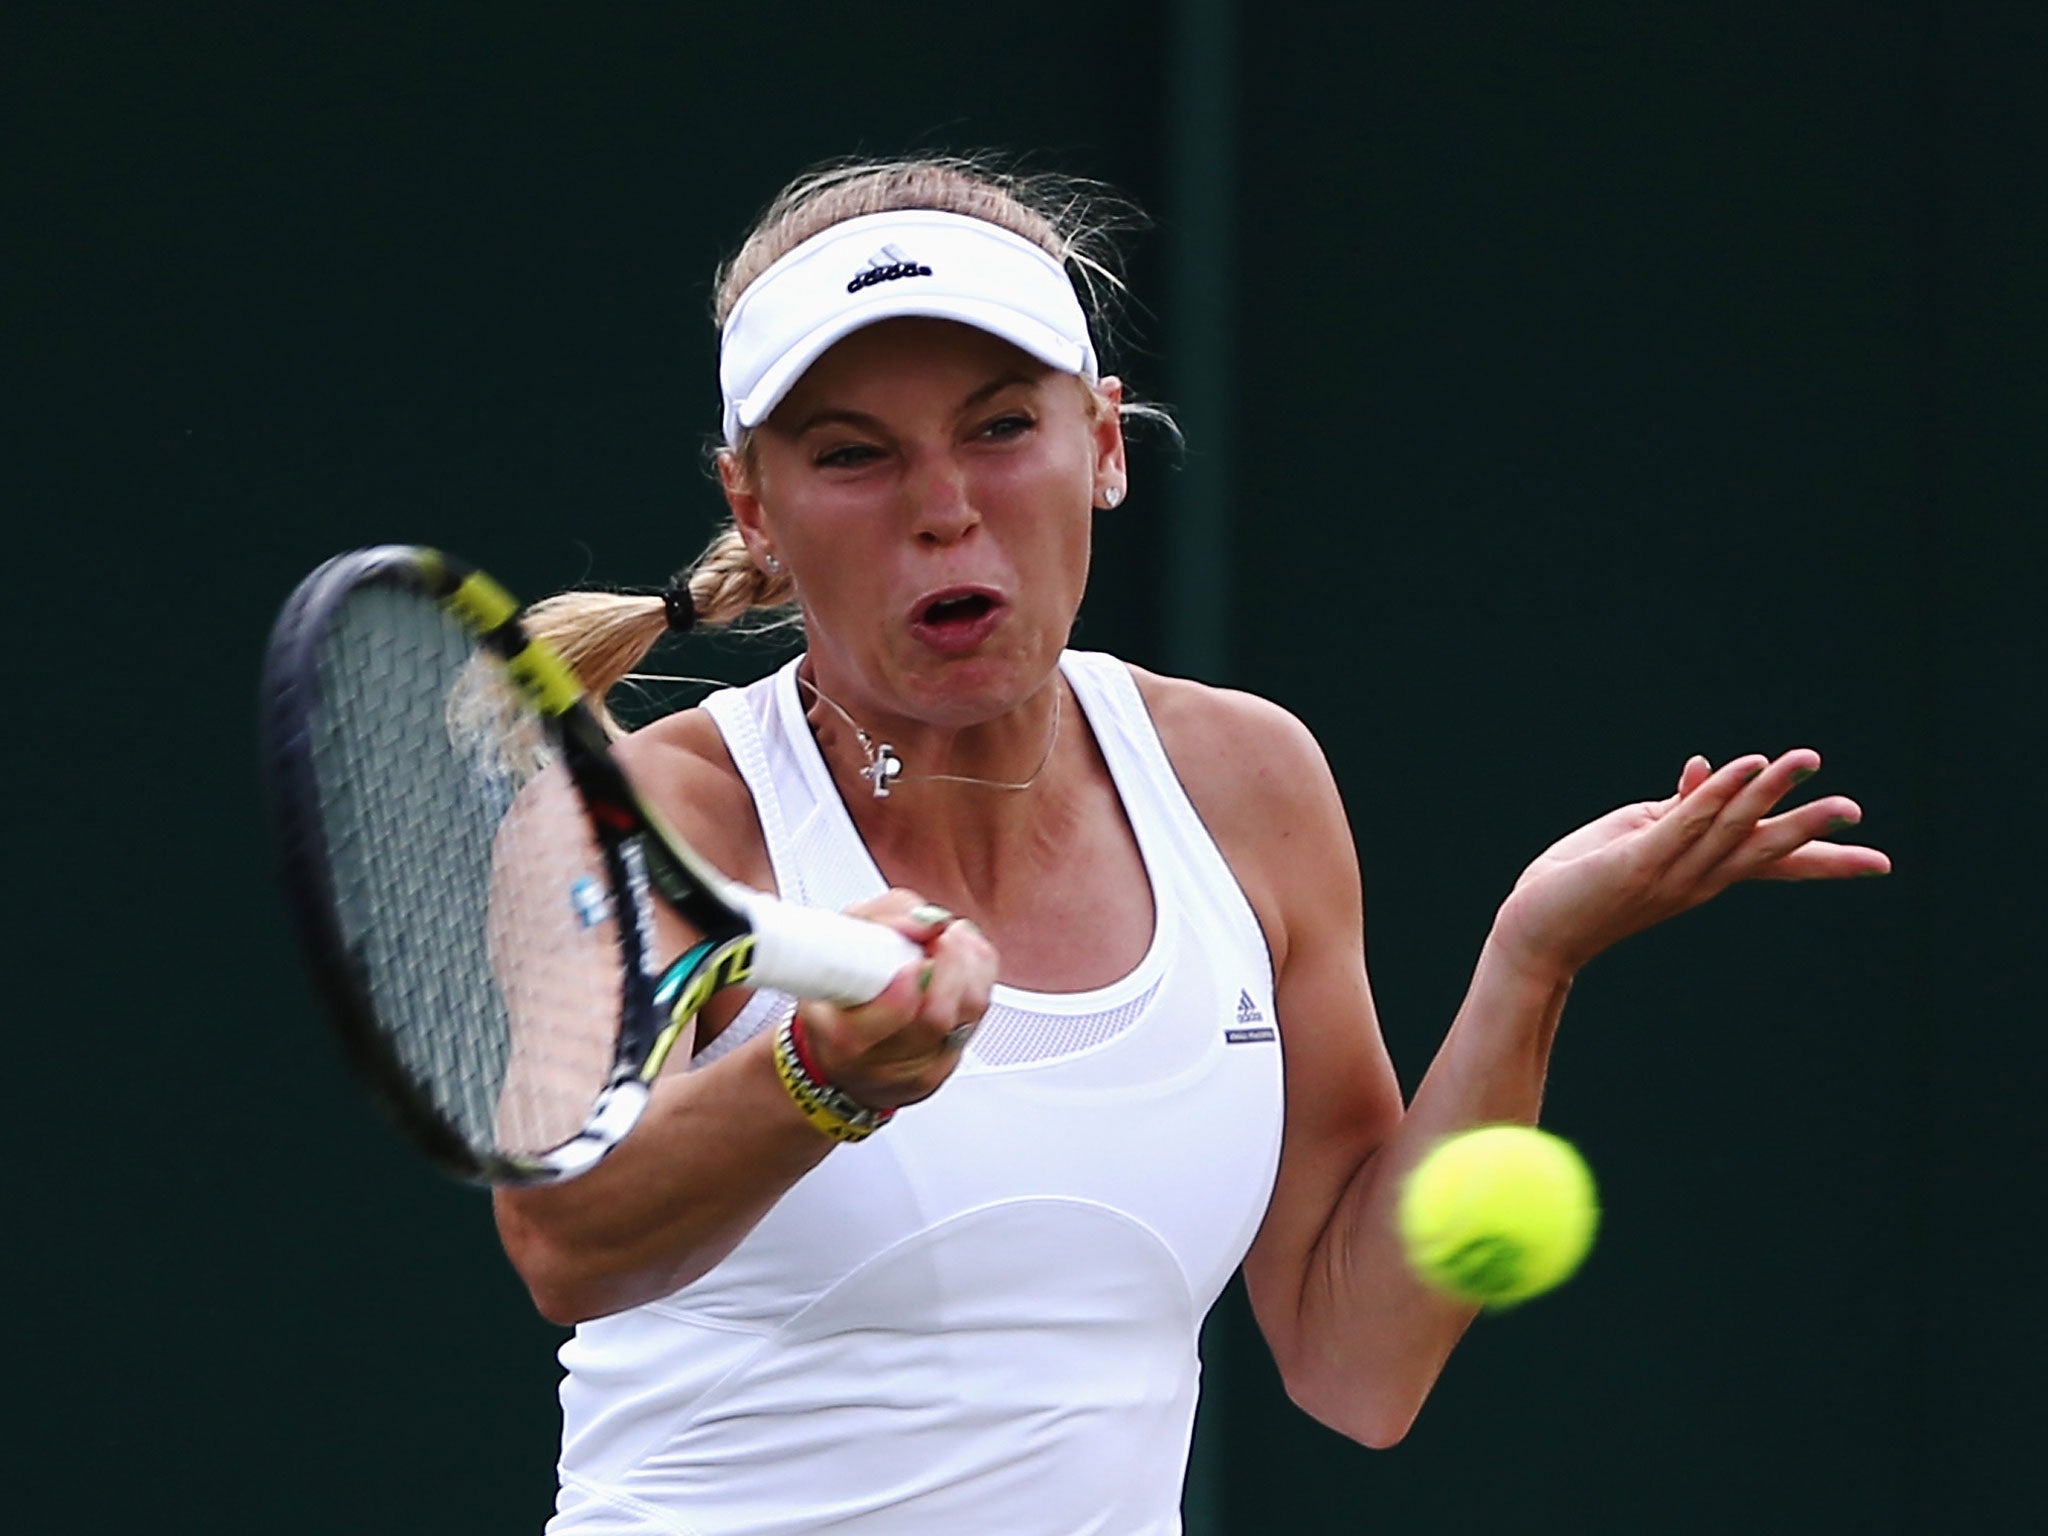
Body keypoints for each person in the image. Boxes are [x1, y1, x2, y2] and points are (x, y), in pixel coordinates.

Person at [493, 156, 1891, 1535]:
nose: (943, 506)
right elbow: (565, 1242)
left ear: (1100, 443)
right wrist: (820, 1071)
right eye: (854, 454)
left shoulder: (1244, 780)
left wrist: (1533, 962)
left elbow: (1359, 1360)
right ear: (757, 509)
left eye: (999, 428)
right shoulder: (656, 818)